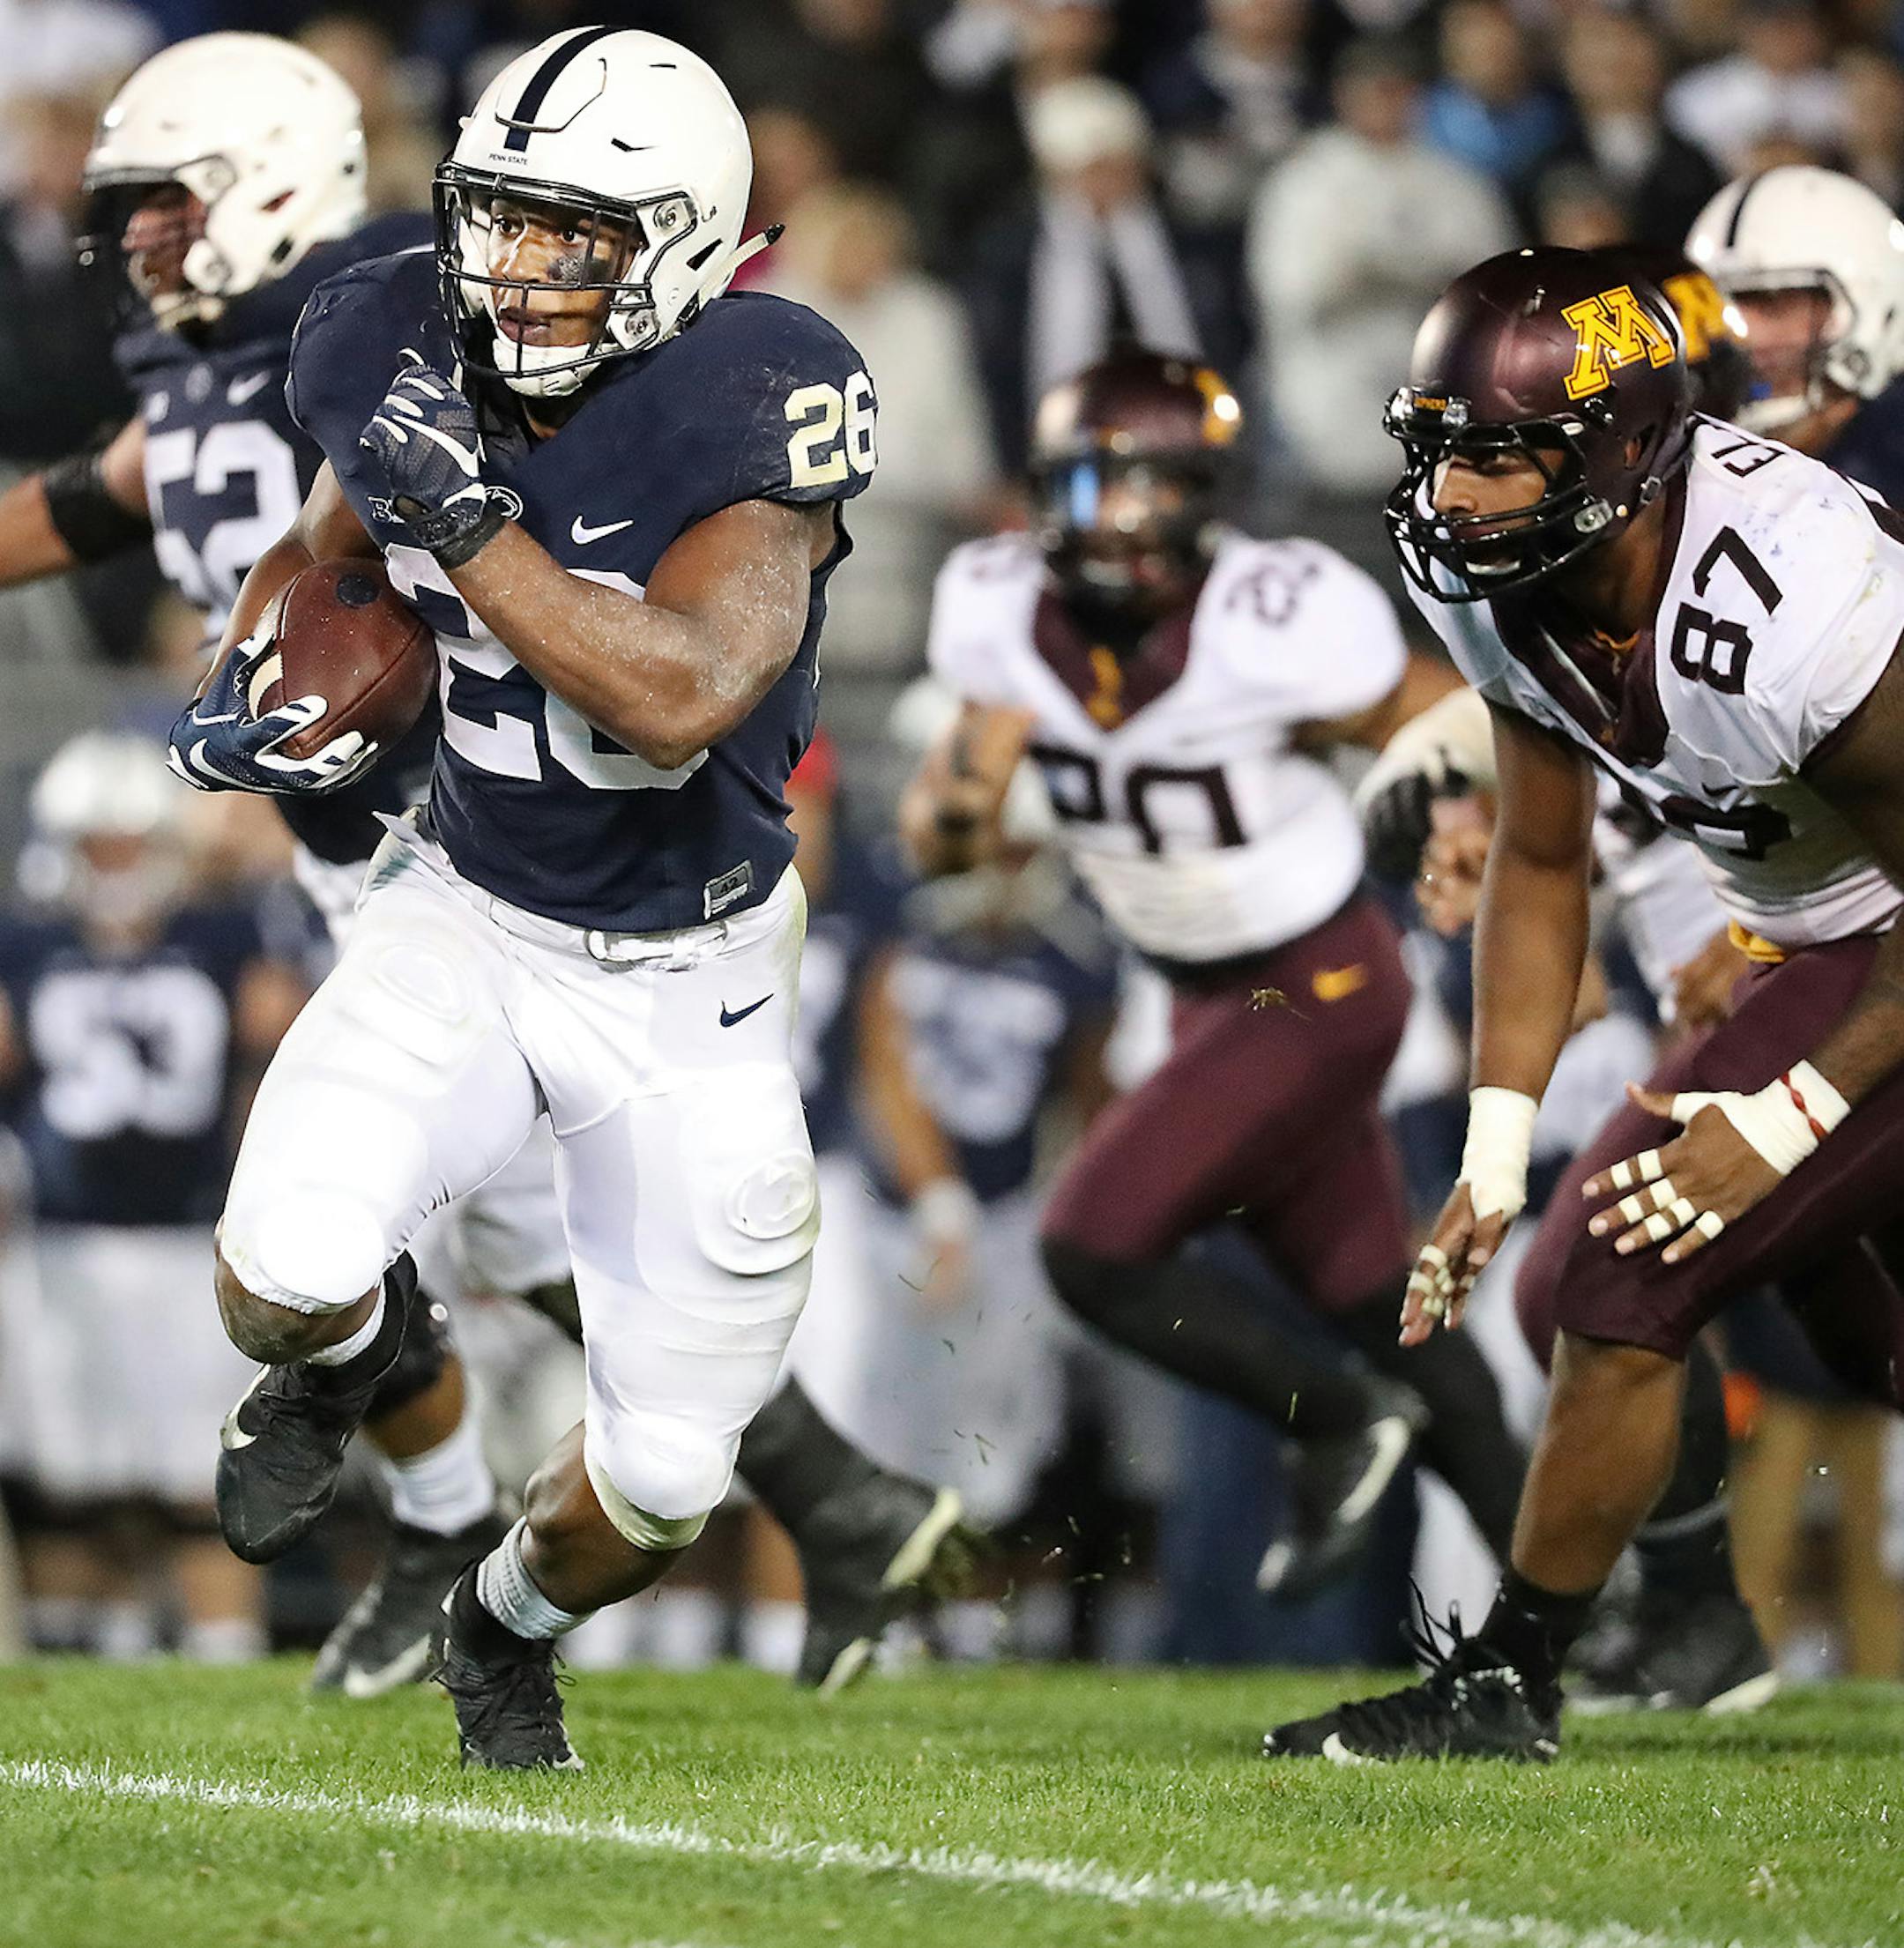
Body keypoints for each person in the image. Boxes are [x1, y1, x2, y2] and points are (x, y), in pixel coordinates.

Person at [4, 29, 968, 1701]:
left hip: (693, 974)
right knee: (292, 1272)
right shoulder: (384, 328)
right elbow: (311, 556)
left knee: (662, 1476)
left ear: (680, 231)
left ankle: (502, 1620)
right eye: (501, 218)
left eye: (572, 234)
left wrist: (467, 526)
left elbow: (683, 693)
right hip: (461, 903)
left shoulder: (759, 384)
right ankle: (370, 1412)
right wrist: (265, 673)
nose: (517, 269)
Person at [1268, 245, 1904, 1764]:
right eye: (1446, 452)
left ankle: (1508, 1682)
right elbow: (1542, 862)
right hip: (1814, 945)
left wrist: (1791, 1106)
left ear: (1621, 446)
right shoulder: (1494, 584)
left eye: (1505, 458)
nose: (1462, 498)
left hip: (1872, 954)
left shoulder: (1800, 598)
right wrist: (1494, 1152)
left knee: (1626, 1271)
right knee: (1834, 1312)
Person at [902, 347, 1530, 1600]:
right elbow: (941, 836)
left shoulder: (1273, 617)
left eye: (1148, 491)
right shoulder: (989, 610)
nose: (1117, 523)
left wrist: (1460, 824)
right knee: (1383, 1307)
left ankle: (1333, 1419)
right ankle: (1571, 1612)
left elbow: (1459, 720)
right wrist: (971, 796)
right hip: (1202, 997)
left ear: (1205, 499)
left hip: (1317, 980)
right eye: (1091, 490)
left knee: (1090, 1247)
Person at [0, 732, 304, 1662]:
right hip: (65, 1237)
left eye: (128, 841)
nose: (114, 863)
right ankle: (95, 1651)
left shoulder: (224, 929)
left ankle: (221, 1653)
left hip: (188, 1237)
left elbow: (281, 1038)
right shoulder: (29, 940)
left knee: (193, 1477)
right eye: (97, 843)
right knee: (73, 1481)